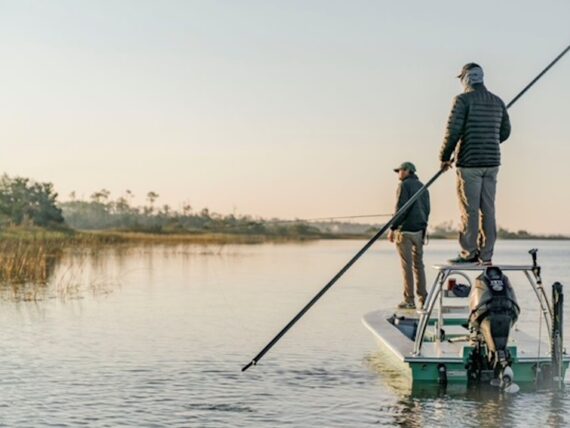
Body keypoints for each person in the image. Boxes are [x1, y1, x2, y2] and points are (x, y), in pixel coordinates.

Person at [440, 63, 511, 265]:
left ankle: (469, 253)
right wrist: (488, 140)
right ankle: (486, 254)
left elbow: (452, 131)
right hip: (492, 162)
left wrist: (444, 157)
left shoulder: (462, 100)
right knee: (488, 209)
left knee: (469, 209)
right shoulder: (497, 101)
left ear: (465, 78)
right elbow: (505, 132)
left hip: (469, 162)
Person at [388, 162, 430, 310]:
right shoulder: (423, 186)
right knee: (419, 266)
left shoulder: (404, 185)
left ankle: (409, 300)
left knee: (407, 266)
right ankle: (424, 299)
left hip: (405, 231)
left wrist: (393, 227)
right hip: (419, 231)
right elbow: (427, 209)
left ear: (407, 171)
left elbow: (401, 208)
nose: (398, 174)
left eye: (399, 171)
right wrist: (423, 227)